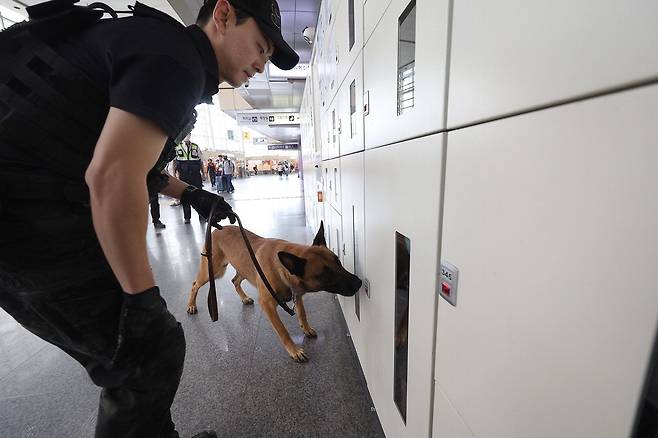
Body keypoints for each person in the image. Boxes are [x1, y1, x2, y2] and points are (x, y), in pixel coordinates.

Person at [0, 0, 298, 437]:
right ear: (223, 15)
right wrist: (140, 297)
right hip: (26, 225)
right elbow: (111, 175)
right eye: (260, 44)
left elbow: (132, 162)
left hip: (26, 214)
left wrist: (192, 194)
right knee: (147, 348)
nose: (262, 62)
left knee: (143, 357)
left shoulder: (162, 48)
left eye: (270, 55)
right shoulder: (173, 60)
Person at [175, 137, 204, 223]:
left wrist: (204, 174)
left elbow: (201, 161)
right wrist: (175, 174)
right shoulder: (177, 147)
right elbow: (174, 162)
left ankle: (201, 215)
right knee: (185, 195)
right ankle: (187, 217)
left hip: (195, 175)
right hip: (184, 175)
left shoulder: (196, 146)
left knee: (199, 195)